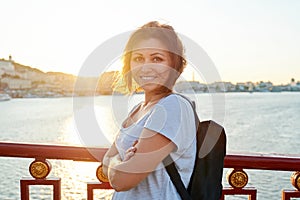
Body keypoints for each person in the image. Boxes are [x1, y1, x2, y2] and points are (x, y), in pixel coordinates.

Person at [101, 21, 197, 200]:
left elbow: (122, 180)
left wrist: (116, 163)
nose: (146, 67)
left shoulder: (172, 106)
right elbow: (106, 161)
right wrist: (119, 163)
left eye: (157, 59)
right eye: (138, 58)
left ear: (174, 65)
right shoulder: (139, 110)